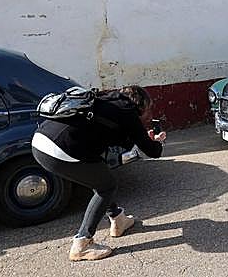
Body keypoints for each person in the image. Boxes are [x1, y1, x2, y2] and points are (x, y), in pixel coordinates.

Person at [31, 85, 167, 261]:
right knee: (106, 187)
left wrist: (140, 138)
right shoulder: (128, 112)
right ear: (141, 105)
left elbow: (121, 141)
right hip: (59, 150)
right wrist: (157, 141)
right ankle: (82, 244)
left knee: (98, 175)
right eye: (148, 109)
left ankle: (118, 219)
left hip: (40, 141)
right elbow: (153, 152)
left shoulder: (105, 101)